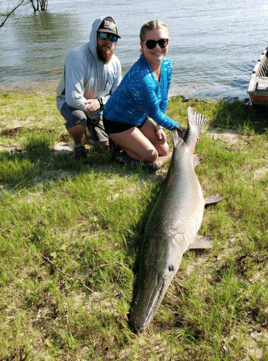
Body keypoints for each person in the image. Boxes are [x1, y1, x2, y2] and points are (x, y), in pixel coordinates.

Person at [103, 20, 185, 170]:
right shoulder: (142, 78)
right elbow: (154, 113)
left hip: (138, 118)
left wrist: (160, 127)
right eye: (151, 43)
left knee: (164, 150)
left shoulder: (167, 65)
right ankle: (118, 146)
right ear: (142, 46)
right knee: (152, 156)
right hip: (116, 121)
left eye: (162, 42)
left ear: (168, 43)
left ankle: (129, 142)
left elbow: (164, 98)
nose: (158, 48)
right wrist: (181, 130)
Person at [56, 16, 122, 160]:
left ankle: (89, 131)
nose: (108, 41)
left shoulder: (116, 63)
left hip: (98, 107)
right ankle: (78, 144)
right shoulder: (77, 56)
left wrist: (100, 102)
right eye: (103, 35)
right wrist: (92, 112)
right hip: (71, 104)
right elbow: (72, 98)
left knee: (105, 147)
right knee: (78, 119)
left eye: (113, 37)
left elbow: (118, 95)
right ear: (95, 35)